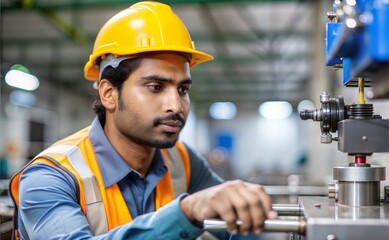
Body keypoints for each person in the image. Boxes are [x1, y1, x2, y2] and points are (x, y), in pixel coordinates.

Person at [9, 2, 277, 239]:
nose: (176, 105)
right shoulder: (50, 177)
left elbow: (236, 227)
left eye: (183, 90)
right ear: (109, 94)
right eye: (155, 87)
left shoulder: (182, 160)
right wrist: (186, 212)